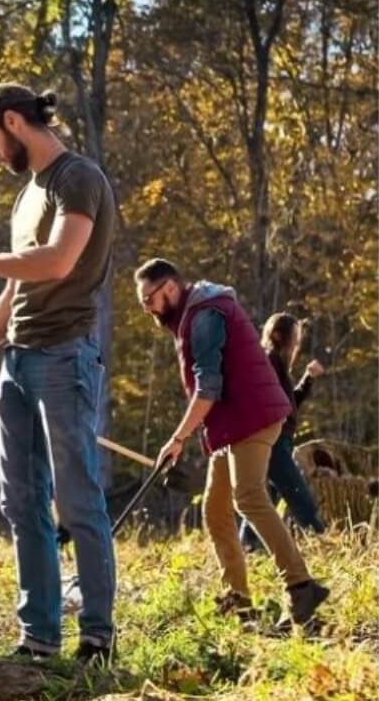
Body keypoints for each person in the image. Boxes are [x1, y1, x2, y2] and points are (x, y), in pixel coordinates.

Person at [0, 82, 118, 664]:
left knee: (78, 498)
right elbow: (20, 285)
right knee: (21, 502)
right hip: (17, 360)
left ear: (14, 123)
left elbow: (59, 261)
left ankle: (96, 637)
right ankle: (39, 637)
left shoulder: (77, 179)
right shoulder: (27, 197)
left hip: (65, 355)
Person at [135, 258, 329, 629]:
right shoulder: (192, 316)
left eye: (149, 299)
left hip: (253, 416)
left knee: (249, 497)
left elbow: (208, 388)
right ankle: (238, 600)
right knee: (215, 508)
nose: (147, 308)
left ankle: (301, 587)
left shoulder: (205, 317)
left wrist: (178, 439)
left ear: (171, 289)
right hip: (232, 423)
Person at [239, 313, 327, 550]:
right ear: (279, 335)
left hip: (279, 440)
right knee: (298, 494)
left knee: (266, 498)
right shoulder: (269, 362)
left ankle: (249, 547)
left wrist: (308, 378)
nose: (297, 342)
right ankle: (324, 542)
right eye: (295, 336)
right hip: (274, 441)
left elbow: (288, 405)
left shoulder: (277, 364)